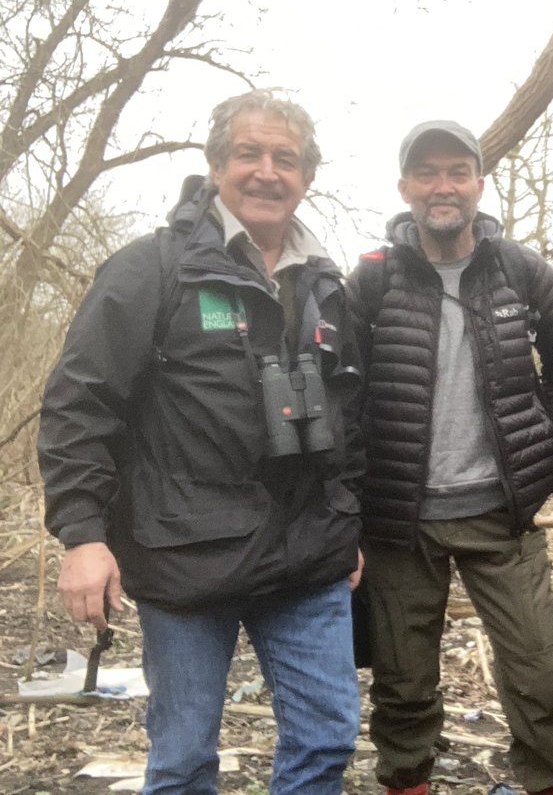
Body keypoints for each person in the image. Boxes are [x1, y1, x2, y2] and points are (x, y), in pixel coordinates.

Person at [38, 91, 365, 795]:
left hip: (308, 553)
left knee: (327, 737)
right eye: (248, 153)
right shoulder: (150, 269)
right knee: (183, 758)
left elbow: (350, 419)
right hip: (183, 555)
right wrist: (82, 534)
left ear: (307, 176)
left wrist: (348, 519)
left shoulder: (328, 286)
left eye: (285, 158)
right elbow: (78, 403)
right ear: (217, 165)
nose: (266, 171)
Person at [347, 120, 553, 795]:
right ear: (405, 188)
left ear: (481, 184)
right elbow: (345, 396)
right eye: (427, 173)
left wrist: (547, 460)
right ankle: (407, 783)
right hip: (401, 520)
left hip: (501, 514)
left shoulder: (523, 271)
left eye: (457, 171)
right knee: (403, 685)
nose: (442, 186)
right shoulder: (371, 282)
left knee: (539, 679)